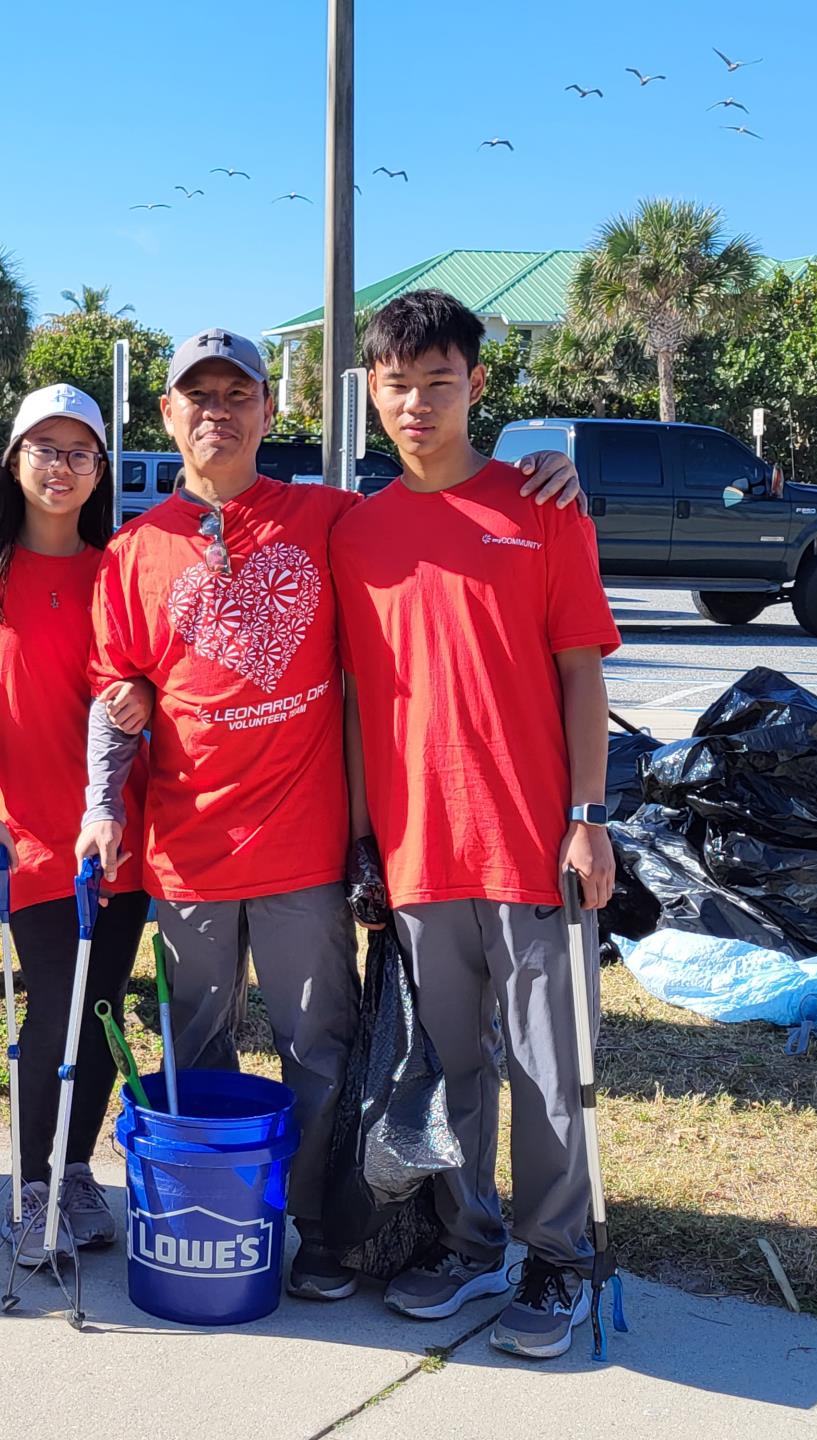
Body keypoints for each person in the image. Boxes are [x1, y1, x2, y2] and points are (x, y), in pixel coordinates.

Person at [77, 327, 584, 1301]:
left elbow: (441, 494)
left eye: (238, 396)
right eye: (199, 398)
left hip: (304, 851)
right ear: (169, 415)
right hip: (186, 855)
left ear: (270, 411)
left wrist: (545, 467)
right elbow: (115, 691)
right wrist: (110, 775)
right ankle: (223, 1219)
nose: (217, 413)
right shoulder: (135, 552)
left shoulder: (329, 517)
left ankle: (323, 1230)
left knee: (321, 1052)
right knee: (196, 1053)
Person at [332, 289, 619, 1360]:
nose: (417, 404)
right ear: (372, 390)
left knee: (553, 1069)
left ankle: (559, 1261)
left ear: (477, 387)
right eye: (398, 386)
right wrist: (365, 841)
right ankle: (473, 1241)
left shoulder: (543, 509)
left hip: (534, 843)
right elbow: (360, 700)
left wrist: (589, 819)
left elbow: (583, 675)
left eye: (439, 384)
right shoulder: (356, 534)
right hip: (416, 854)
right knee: (452, 1071)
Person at [0, 383, 151, 1265]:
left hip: (120, 834)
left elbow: (155, 679)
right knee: (51, 1008)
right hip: (27, 839)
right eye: (44, 449)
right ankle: (31, 1183)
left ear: (101, 469)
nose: (62, 467)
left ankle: (75, 1171)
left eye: (80, 452)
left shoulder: (123, 567)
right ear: (14, 461)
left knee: (97, 1013)